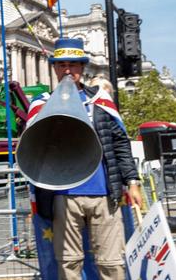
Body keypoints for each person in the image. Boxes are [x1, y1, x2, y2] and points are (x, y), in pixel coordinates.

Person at [29, 38, 143, 280]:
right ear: (55, 69)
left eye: (73, 64)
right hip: (63, 195)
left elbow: (120, 143)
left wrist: (132, 181)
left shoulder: (100, 101)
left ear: (82, 67)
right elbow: (34, 149)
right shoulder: (41, 104)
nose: (67, 70)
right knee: (69, 263)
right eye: (61, 65)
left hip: (103, 192)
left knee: (111, 262)